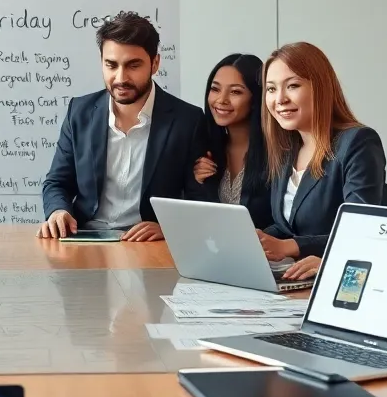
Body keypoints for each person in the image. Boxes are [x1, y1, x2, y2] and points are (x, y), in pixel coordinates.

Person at [39, 13, 204, 242]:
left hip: (149, 244)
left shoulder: (188, 120)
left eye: (133, 65)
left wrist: (169, 227)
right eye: (111, 65)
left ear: (155, 63)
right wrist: (59, 211)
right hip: (85, 238)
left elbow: (201, 199)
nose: (120, 77)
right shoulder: (79, 112)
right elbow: (57, 182)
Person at [258, 42, 387, 279]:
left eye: (293, 86)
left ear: (320, 87)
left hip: (339, 277)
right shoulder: (287, 149)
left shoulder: (358, 141)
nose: (279, 99)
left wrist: (291, 246)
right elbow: (288, 226)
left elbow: (361, 229)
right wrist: (253, 240)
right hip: (295, 279)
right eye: (270, 89)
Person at [188, 53, 272, 228]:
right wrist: (199, 183)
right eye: (215, 89)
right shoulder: (206, 151)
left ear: (256, 98)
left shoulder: (276, 153)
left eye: (235, 92)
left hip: (267, 252)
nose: (221, 100)